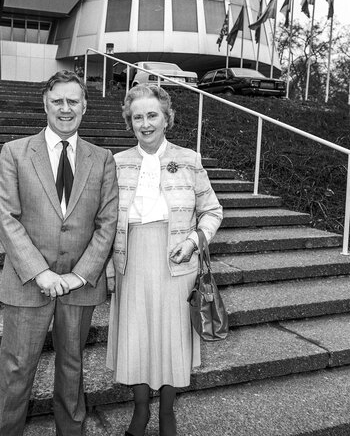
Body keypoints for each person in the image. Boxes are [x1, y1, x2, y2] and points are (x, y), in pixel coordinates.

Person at [0, 70, 119, 436]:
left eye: (73, 101)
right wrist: (40, 272)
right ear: (45, 104)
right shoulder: (15, 152)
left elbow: (106, 222)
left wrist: (80, 274)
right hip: (27, 282)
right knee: (16, 369)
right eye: (58, 101)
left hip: (80, 285)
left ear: (85, 107)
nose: (66, 108)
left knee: (72, 367)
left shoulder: (102, 158)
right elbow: (7, 217)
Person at [106, 84, 223, 436]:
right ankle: (140, 412)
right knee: (138, 337)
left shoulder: (189, 159)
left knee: (171, 338)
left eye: (152, 115)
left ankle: (167, 414)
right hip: (131, 262)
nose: (145, 123)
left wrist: (192, 241)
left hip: (176, 263)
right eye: (137, 116)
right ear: (130, 121)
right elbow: (106, 220)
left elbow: (213, 211)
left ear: (167, 118)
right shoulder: (116, 162)